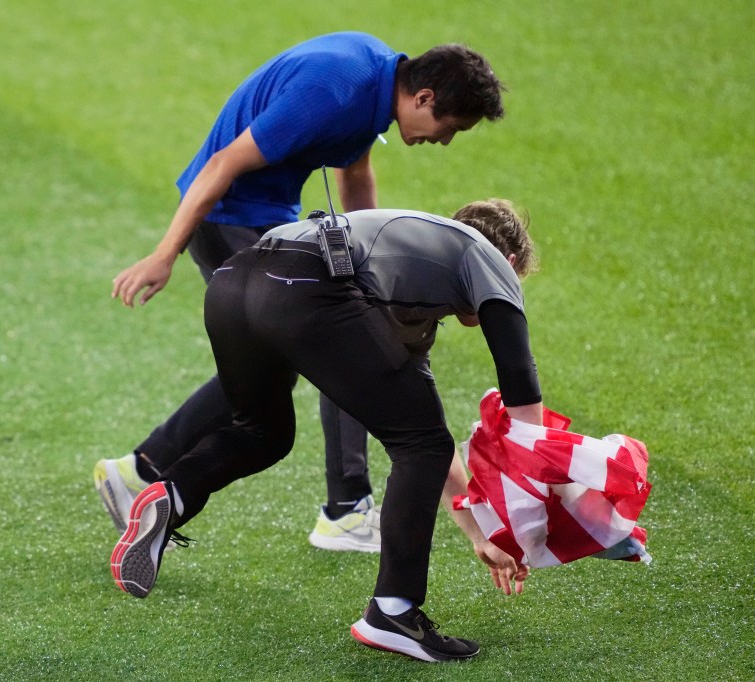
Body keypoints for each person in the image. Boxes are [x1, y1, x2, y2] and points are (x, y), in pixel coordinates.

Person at [96, 32, 506, 553]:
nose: (444, 140)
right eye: (450, 127)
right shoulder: (334, 90)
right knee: (338, 346)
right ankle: (345, 510)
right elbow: (222, 162)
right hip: (229, 218)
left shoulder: (372, 84)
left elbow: (354, 172)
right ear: (424, 98)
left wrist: (367, 263)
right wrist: (164, 253)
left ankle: (143, 470)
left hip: (267, 219)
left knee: (298, 352)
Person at [110, 199, 541, 663]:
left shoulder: (411, 283)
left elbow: (426, 431)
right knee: (421, 444)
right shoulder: (487, 256)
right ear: (511, 262)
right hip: (302, 284)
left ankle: (174, 492)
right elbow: (519, 382)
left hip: (234, 281)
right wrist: (538, 507)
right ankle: (393, 611)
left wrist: (480, 534)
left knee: (264, 432)